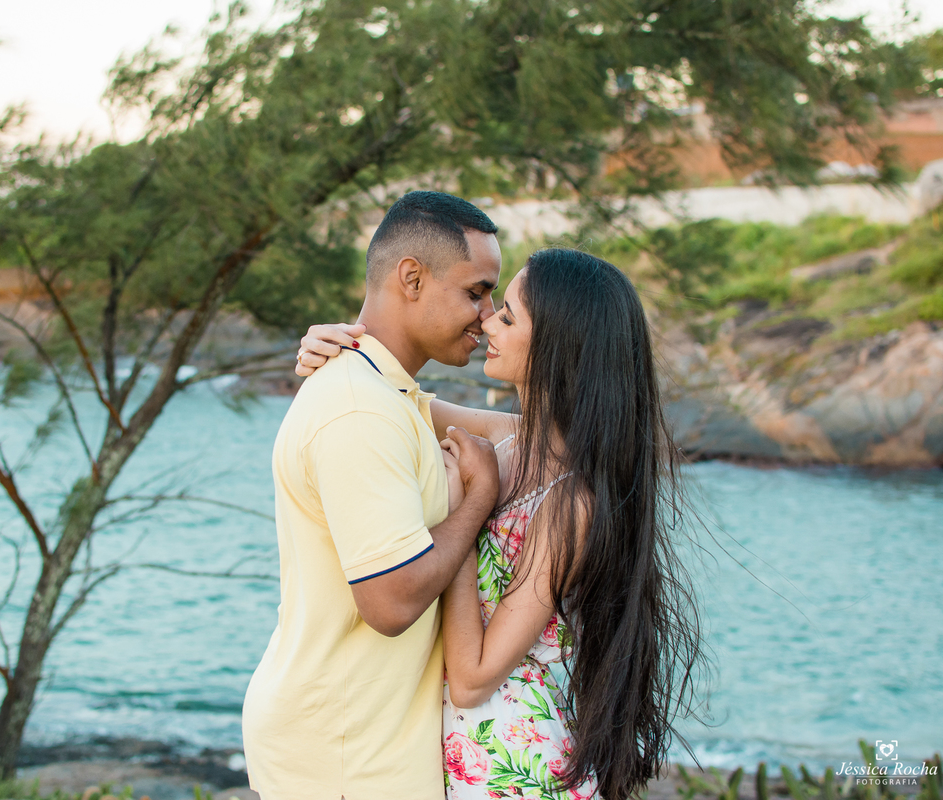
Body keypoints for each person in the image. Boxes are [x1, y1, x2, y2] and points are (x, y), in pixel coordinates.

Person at [295, 247, 705, 800]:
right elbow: (379, 400)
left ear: (558, 346)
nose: (486, 319)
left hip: (515, 770)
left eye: (507, 315)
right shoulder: (501, 437)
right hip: (461, 762)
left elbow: (471, 679)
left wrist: (470, 503)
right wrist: (333, 348)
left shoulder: (571, 502)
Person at [242, 190, 506, 800]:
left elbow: (539, 440)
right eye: (476, 292)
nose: (488, 316)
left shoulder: (388, 393)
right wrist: (477, 499)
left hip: (366, 747)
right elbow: (389, 603)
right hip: (343, 756)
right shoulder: (361, 407)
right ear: (410, 278)